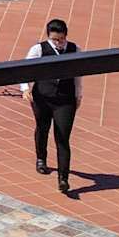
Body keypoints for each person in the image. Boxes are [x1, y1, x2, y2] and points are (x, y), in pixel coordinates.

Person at [25, 17, 82, 194]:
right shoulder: (38, 49)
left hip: (65, 100)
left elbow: (78, 74)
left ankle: (63, 178)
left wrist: (78, 94)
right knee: (43, 128)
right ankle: (41, 158)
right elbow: (24, 69)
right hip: (43, 97)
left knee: (62, 137)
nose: (58, 43)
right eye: (55, 39)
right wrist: (25, 88)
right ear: (49, 36)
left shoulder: (75, 49)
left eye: (61, 39)